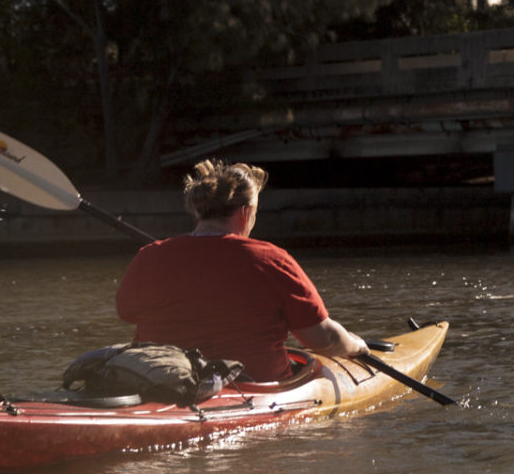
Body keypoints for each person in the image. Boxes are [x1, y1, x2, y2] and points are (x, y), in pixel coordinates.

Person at [115, 159, 370, 381]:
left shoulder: (150, 256)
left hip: (162, 383)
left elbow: (126, 313)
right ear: (246, 212)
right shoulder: (271, 259)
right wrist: (356, 345)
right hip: (254, 387)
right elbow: (323, 339)